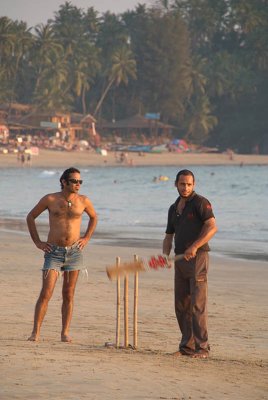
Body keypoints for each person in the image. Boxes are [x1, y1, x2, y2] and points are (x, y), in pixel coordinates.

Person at [27, 167, 98, 342]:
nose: (78, 184)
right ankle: (35, 332)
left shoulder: (83, 201)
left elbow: (94, 217)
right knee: (47, 292)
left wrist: (86, 238)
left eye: (80, 181)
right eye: (74, 181)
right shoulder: (50, 199)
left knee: (68, 293)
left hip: (74, 251)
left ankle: (64, 332)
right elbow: (30, 217)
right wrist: (38, 242)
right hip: (54, 252)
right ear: (64, 182)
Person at [163, 169, 217, 359]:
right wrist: (164, 255)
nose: (185, 187)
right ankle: (187, 346)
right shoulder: (173, 207)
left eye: (189, 184)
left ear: (193, 185)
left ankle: (202, 349)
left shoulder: (201, 203)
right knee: (181, 305)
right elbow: (169, 236)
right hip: (180, 261)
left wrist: (195, 245)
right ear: (175, 185)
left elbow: (212, 227)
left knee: (197, 305)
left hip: (198, 259)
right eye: (182, 184)